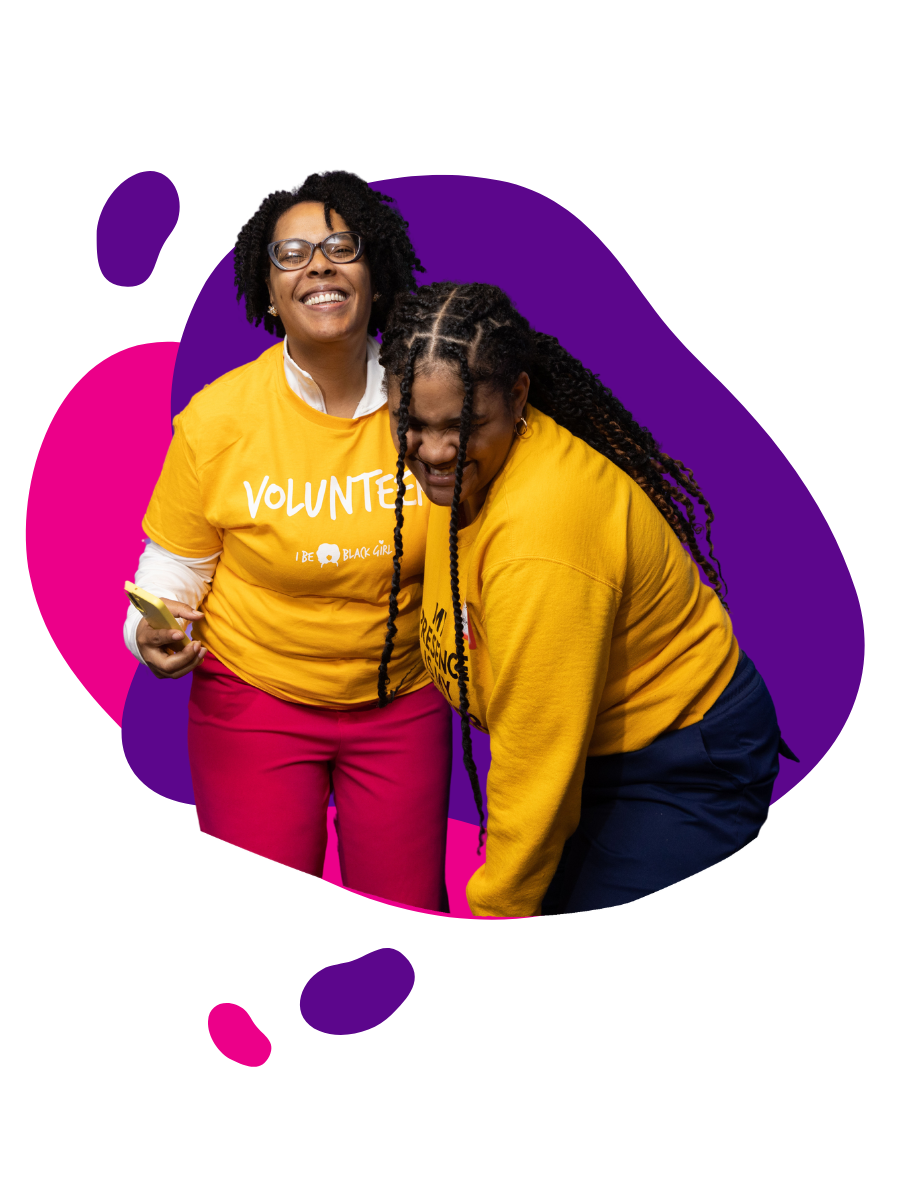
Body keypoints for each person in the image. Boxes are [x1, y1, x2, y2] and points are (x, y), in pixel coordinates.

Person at [377, 282, 798, 918]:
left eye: (462, 427)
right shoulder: (470, 470)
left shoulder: (542, 538)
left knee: (591, 968)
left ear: (517, 396)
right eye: (414, 424)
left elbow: (537, 761)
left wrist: (491, 925)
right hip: (591, 750)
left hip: (681, 759)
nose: (435, 451)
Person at [123, 171, 453, 912]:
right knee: (262, 930)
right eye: (292, 254)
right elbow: (173, 568)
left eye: (341, 246)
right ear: (270, 294)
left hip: (402, 701)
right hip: (254, 703)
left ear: (375, 272)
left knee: (405, 931)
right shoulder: (217, 420)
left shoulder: (434, 398)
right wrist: (151, 634)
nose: (319, 265)